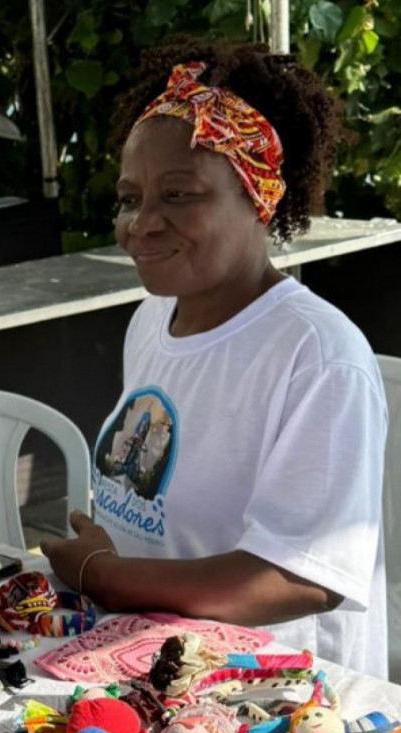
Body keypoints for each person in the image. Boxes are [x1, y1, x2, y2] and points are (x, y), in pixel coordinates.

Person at [41, 38, 389, 678]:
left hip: (271, 694)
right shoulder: (151, 320)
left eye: (178, 195)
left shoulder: (315, 355)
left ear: (260, 198)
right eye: (129, 198)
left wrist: (107, 576)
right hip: (151, 664)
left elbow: (299, 579)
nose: (141, 223)